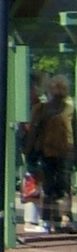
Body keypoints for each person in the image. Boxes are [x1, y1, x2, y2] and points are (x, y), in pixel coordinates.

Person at [27, 74, 73, 232]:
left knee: (47, 187)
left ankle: (47, 220)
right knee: (63, 188)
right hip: (66, 152)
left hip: (47, 151)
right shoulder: (70, 108)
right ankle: (63, 218)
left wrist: (29, 149)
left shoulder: (42, 109)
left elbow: (34, 131)